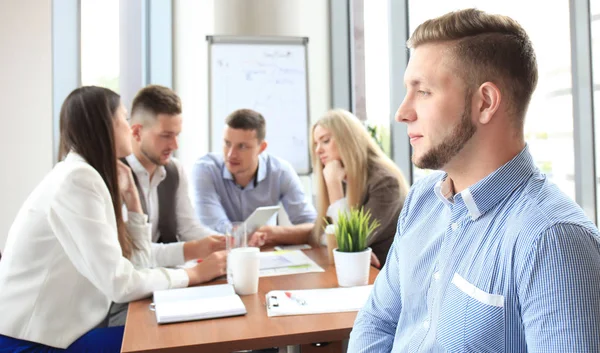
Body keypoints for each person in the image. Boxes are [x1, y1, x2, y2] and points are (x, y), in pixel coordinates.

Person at [349, 8, 600, 352]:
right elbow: (378, 320)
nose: (402, 112)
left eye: (422, 91)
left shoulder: (553, 240)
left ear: (485, 102)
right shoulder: (423, 201)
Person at [0, 86, 226, 352]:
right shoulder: (78, 180)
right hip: (32, 341)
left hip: (59, 332)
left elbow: (135, 265)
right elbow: (120, 284)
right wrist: (194, 274)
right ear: (106, 126)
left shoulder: (84, 174)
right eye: (124, 118)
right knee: (174, 340)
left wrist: (134, 203)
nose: (129, 127)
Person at [124, 85, 225, 268]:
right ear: (137, 132)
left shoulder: (174, 170)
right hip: (134, 284)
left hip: (165, 277)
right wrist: (193, 249)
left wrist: (229, 243)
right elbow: (130, 252)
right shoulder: (116, 175)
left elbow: (188, 227)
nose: (175, 145)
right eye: (166, 136)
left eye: (177, 135)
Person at [192, 109, 317, 246]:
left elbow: (312, 226)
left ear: (261, 147)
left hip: (264, 254)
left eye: (242, 146)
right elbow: (212, 227)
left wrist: (272, 233)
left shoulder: (280, 172)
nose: (231, 155)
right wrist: (246, 235)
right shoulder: (206, 169)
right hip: (218, 254)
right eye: (227, 144)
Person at [311, 109, 409, 266]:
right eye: (316, 143)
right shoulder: (344, 175)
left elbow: (346, 245)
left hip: (381, 276)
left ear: (347, 140)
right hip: (359, 272)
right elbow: (323, 233)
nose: (318, 150)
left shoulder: (385, 182)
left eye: (325, 141)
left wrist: (333, 186)